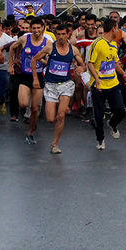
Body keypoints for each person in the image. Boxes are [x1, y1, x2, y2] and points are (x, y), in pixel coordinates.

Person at [31, 24, 85, 153]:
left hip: (66, 84)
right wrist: (35, 79)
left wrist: (81, 68)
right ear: (56, 35)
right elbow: (34, 60)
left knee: (61, 115)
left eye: (63, 34)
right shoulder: (50, 47)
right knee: (50, 119)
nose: (61, 37)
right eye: (58, 34)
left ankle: (55, 144)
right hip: (50, 85)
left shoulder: (73, 50)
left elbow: (83, 65)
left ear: (68, 34)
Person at [87, 18, 126, 150]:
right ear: (113, 29)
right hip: (98, 86)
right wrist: (97, 79)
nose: (119, 31)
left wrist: (123, 74)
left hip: (113, 84)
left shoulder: (113, 45)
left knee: (121, 110)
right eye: (118, 28)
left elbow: (115, 63)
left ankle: (112, 124)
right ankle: (100, 140)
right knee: (99, 116)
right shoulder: (97, 44)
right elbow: (90, 63)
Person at [8, 17, 48, 144]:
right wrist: (11, 63)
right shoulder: (25, 38)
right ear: (31, 29)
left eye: (38, 28)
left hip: (39, 77)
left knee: (35, 108)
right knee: (24, 104)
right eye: (34, 28)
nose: (36, 30)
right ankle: (30, 120)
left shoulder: (47, 43)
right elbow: (12, 48)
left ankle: (30, 131)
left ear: (43, 28)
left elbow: (48, 62)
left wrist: (41, 60)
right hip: (25, 76)